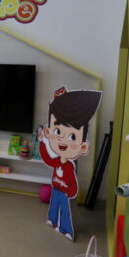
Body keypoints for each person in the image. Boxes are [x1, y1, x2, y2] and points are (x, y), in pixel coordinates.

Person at [38, 87, 102, 241]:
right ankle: (53, 220)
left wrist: (71, 192)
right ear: (48, 132)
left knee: (65, 210)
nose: (62, 141)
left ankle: (66, 229)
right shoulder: (56, 161)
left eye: (72, 136)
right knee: (54, 205)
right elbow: (48, 159)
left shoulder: (68, 166)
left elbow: (72, 181)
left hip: (64, 192)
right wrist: (41, 143)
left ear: (83, 147)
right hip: (56, 188)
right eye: (57, 132)